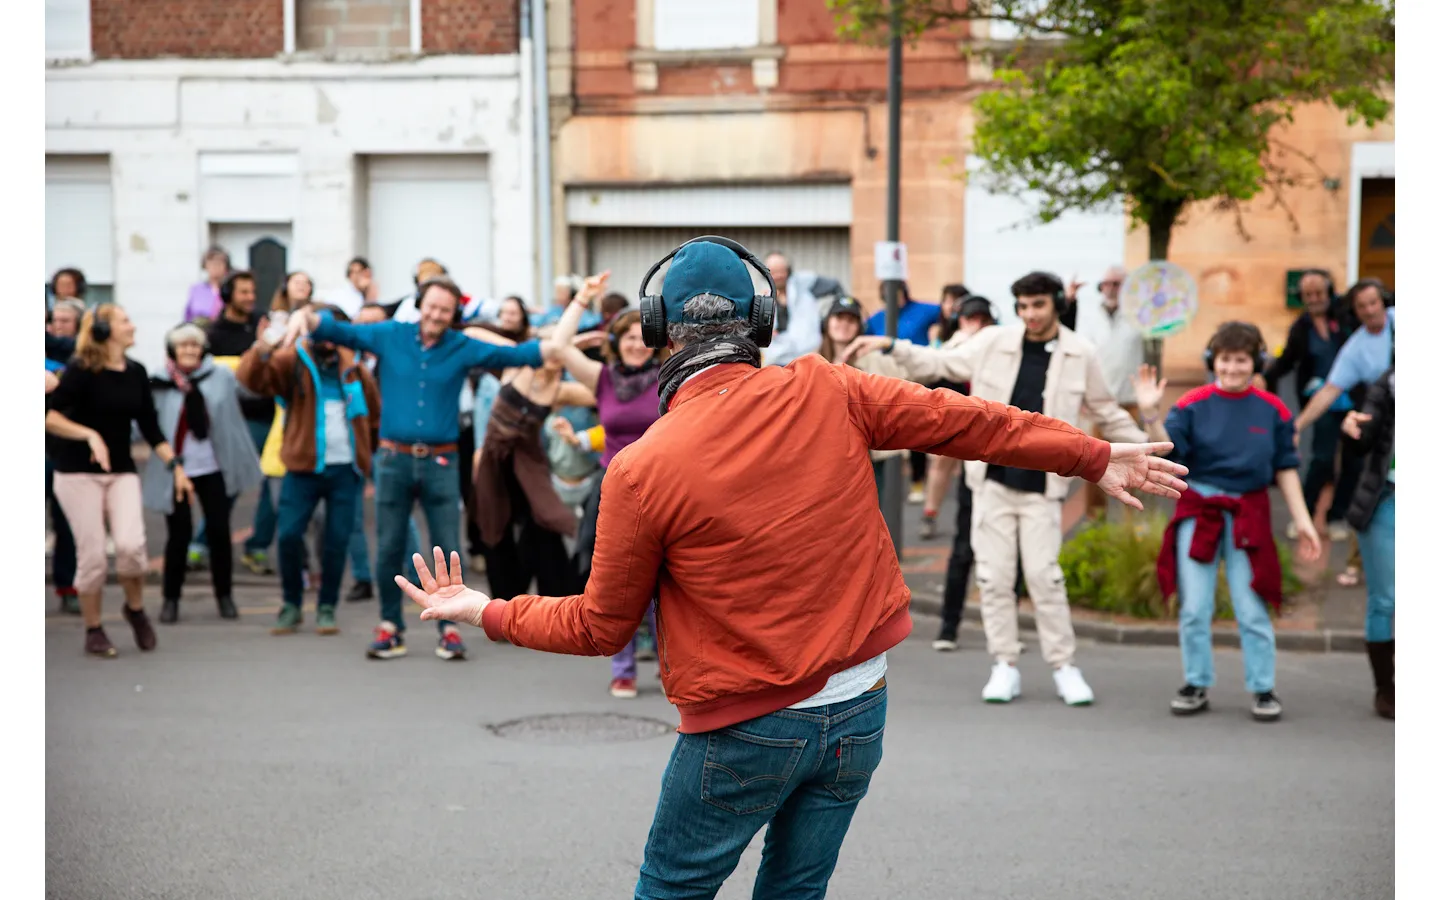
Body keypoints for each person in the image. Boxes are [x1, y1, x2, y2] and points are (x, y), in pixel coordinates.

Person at [389, 235, 1187, 900]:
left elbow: (603, 626)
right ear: (762, 322)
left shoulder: (642, 468)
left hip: (742, 729)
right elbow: (967, 422)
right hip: (859, 709)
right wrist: (1090, 454)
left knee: (671, 891)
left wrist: (482, 609)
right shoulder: (828, 388)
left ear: (660, 331)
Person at [844, 270, 1148, 705]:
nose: (1031, 315)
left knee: (1045, 577)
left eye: (1038, 305)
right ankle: (1004, 664)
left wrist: (1142, 443)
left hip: (1044, 486)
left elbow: (1107, 410)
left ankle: (1064, 666)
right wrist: (892, 345)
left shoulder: (1080, 352)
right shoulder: (993, 342)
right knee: (995, 577)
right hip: (992, 482)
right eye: (1023, 306)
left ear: (1056, 304)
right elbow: (940, 364)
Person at [280, 277, 572, 661]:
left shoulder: (460, 346)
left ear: (453, 315)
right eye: (431, 306)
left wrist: (562, 343)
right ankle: (390, 627)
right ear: (421, 305)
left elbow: (516, 356)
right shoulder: (390, 335)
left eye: (444, 310)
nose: (435, 315)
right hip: (393, 459)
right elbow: (341, 330)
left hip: (441, 461)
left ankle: (449, 628)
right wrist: (305, 316)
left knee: (446, 549)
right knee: (388, 548)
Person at [1137, 322, 1322, 722]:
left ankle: (1263, 687)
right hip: (1200, 508)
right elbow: (1167, 451)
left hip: (1249, 513)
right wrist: (1151, 411)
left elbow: (1286, 469)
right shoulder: (1191, 404)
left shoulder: (1274, 410)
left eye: (1241, 360)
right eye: (1225, 359)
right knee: (1195, 606)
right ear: (1212, 361)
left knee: (1251, 606)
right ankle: (1196, 681)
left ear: (1254, 362)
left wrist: (1304, 521)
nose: (1233, 368)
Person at [45, 304, 191, 658]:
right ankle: (94, 629)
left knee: (131, 548)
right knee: (93, 556)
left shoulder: (136, 372)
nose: (132, 326)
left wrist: (177, 467)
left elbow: (151, 427)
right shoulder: (80, 371)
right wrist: (89, 435)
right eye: (125, 321)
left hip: (121, 471)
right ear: (103, 330)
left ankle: (135, 608)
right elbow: (48, 416)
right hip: (77, 473)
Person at [548, 283, 667, 698]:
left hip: (664, 486)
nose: (636, 344)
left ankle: (672, 664)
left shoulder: (671, 378)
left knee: (667, 582)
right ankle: (624, 668)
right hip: (614, 488)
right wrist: (581, 299)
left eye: (642, 336)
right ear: (617, 342)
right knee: (619, 580)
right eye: (628, 337)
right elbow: (559, 348)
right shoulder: (603, 379)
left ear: (654, 341)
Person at [237, 305, 381, 637]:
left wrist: (367, 456)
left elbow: (373, 416)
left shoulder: (355, 369)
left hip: (347, 471)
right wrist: (264, 346)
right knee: (288, 535)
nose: (327, 339)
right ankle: (291, 604)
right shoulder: (293, 361)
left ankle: (327, 606)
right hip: (302, 469)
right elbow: (251, 379)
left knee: (336, 539)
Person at [144, 324, 263, 623]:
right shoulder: (159, 382)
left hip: (213, 465)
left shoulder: (220, 376)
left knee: (220, 532)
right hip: (177, 469)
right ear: (173, 351)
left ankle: (225, 596)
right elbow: (144, 423)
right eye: (183, 347)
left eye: (194, 347)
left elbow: (251, 388)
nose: (189, 352)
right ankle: (171, 599)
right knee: (179, 534)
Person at [1292, 278, 1393, 587]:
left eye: (1373, 302)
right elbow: (1329, 391)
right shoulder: (1356, 348)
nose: (1369, 310)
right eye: (1362, 306)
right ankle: (1357, 563)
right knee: (1370, 493)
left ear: (1383, 301)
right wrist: (1296, 427)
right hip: (1386, 435)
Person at [1263, 270, 1357, 541]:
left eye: (1319, 293)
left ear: (1329, 291)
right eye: (1308, 295)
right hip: (1321, 402)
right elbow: (1286, 361)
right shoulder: (1301, 328)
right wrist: (1263, 376)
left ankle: (1336, 516)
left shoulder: (1346, 317)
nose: (1315, 299)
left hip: (1353, 398)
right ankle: (1304, 513)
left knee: (1353, 460)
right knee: (1322, 458)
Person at [1341, 364, 1395, 720]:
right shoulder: (1389, 385)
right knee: (1386, 599)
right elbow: (1364, 438)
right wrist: (1353, 431)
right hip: (1386, 501)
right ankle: (1387, 690)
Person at [918, 285, 989, 541]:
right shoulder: (948, 335)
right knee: (941, 462)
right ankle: (930, 514)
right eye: (947, 301)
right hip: (954, 405)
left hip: (982, 410)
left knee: (978, 467)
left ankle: (977, 519)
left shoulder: (991, 337)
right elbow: (938, 363)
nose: (951, 306)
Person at [817, 295, 909, 490]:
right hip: (828, 457)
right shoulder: (813, 363)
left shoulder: (876, 360)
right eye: (839, 318)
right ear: (827, 323)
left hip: (871, 456)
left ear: (860, 327)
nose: (844, 324)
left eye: (851, 320)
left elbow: (906, 385)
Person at [1077, 265, 1146, 519]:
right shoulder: (1089, 315)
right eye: (1108, 284)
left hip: (1130, 401)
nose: (1112, 289)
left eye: (1118, 284)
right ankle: (1096, 522)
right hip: (1099, 403)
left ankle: (1134, 523)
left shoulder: (1138, 316)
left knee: (1137, 464)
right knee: (1094, 465)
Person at [46, 299, 86, 615]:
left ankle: (68, 586)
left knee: (66, 522)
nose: (58, 325)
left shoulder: (81, 358)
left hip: (63, 449)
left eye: (65, 321)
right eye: (54, 320)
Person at [761, 251, 843, 367]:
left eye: (781, 271)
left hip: (808, 359)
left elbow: (835, 286)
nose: (778, 276)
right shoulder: (764, 295)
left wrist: (827, 322)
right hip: (776, 361)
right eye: (773, 272)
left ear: (788, 270)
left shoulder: (804, 284)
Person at [184, 247, 232, 322]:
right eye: (211, 262)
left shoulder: (231, 288)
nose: (215, 266)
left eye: (220, 262)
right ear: (205, 265)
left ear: (226, 266)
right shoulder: (196, 289)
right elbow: (188, 316)